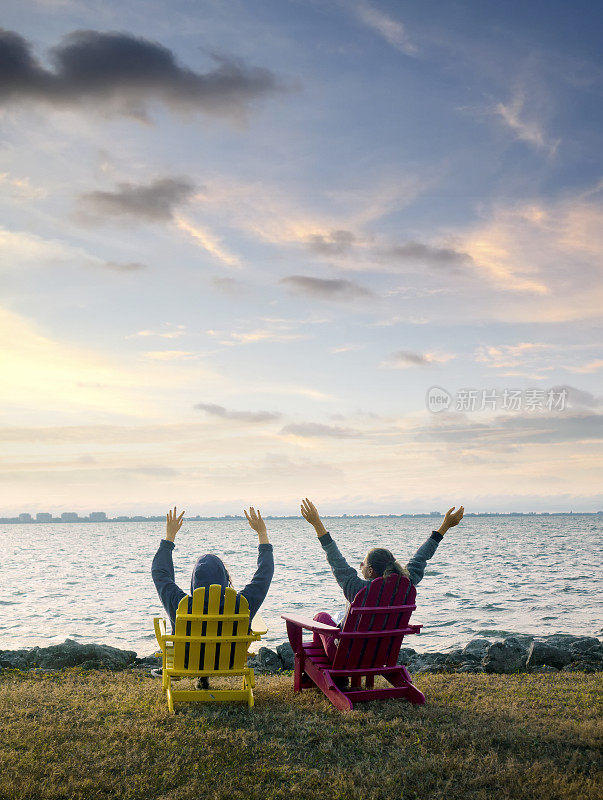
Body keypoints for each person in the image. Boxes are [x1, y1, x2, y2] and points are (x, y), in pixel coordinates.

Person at [300, 498, 464, 662]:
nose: (360, 565)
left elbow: (335, 559)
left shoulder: (358, 590)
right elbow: (420, 558)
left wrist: (317, 523)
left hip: (345, 658)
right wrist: (445, 526)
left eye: (363, 563)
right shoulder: (406, 585)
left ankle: (326, 674)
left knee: (321, 617)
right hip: (380, 656)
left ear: (370, 571)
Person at [151, 505, 274, 686]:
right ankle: (203, 678)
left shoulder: (181, 603)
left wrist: (169, 538)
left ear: (194, 580)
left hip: (187, 662)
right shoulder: (241, 604)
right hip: (230, 661)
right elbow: (265, 574)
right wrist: (262, 534)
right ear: (224, 578)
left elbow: (160, 573)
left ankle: (201, 675)